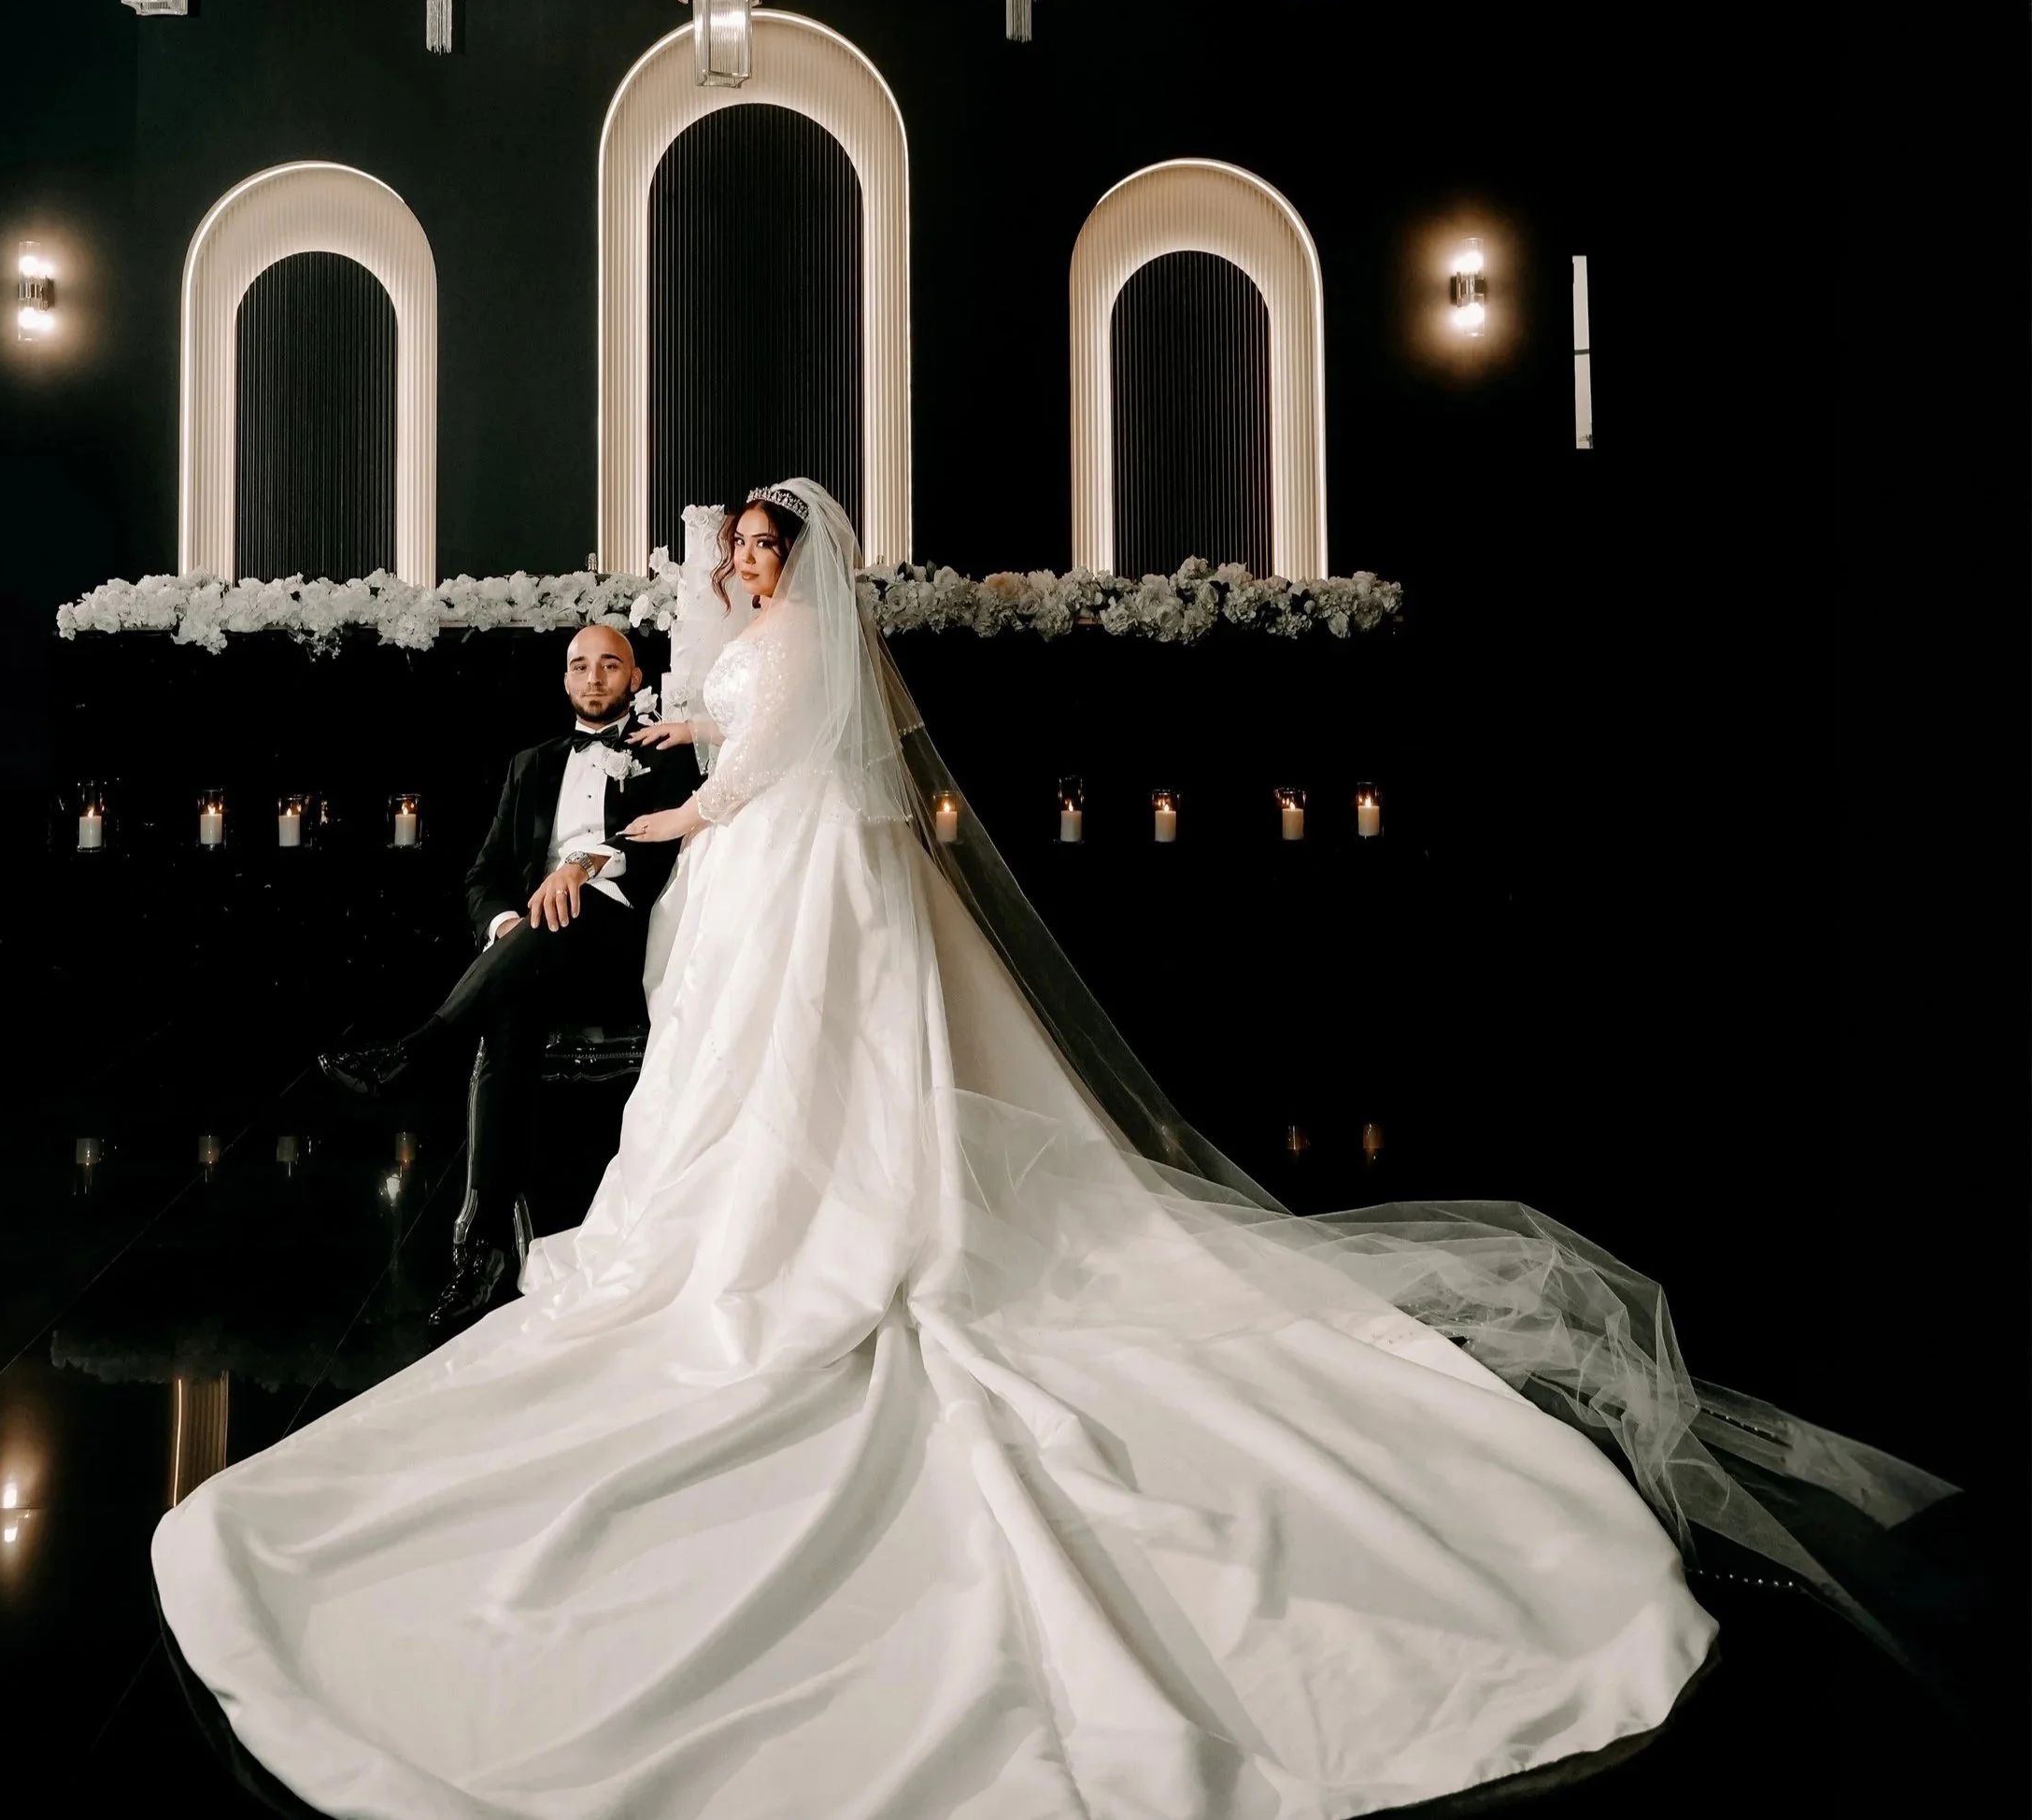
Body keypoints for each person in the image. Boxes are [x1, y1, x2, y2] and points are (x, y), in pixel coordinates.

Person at [157, 479, 1948, 1820]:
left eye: (765, 555)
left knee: (807, 1084)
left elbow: (751, 776)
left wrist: (652, 801)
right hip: (762, 888)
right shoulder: (754, 642)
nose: (747, 574)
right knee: (727, 1092)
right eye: (741, 557)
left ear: (798, 562)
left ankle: (818, 1247)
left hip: (790, 883)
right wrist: (658, 734)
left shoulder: (809, 649)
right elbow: (710, 720)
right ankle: (736, 1221)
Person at [319, 621, 701, 1330]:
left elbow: (660, 857)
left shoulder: (664, 754)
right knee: (508, 1015)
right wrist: (504, 929)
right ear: (563, 680)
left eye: (609, 666)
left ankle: (415, 1055)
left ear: (635, 679)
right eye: (579, 666)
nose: (593, 678)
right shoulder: (531, 763)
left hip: (619, 940)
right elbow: (483, 877)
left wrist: (582, 871)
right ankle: (485, 1250)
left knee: (556, 926)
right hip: (533, 947)